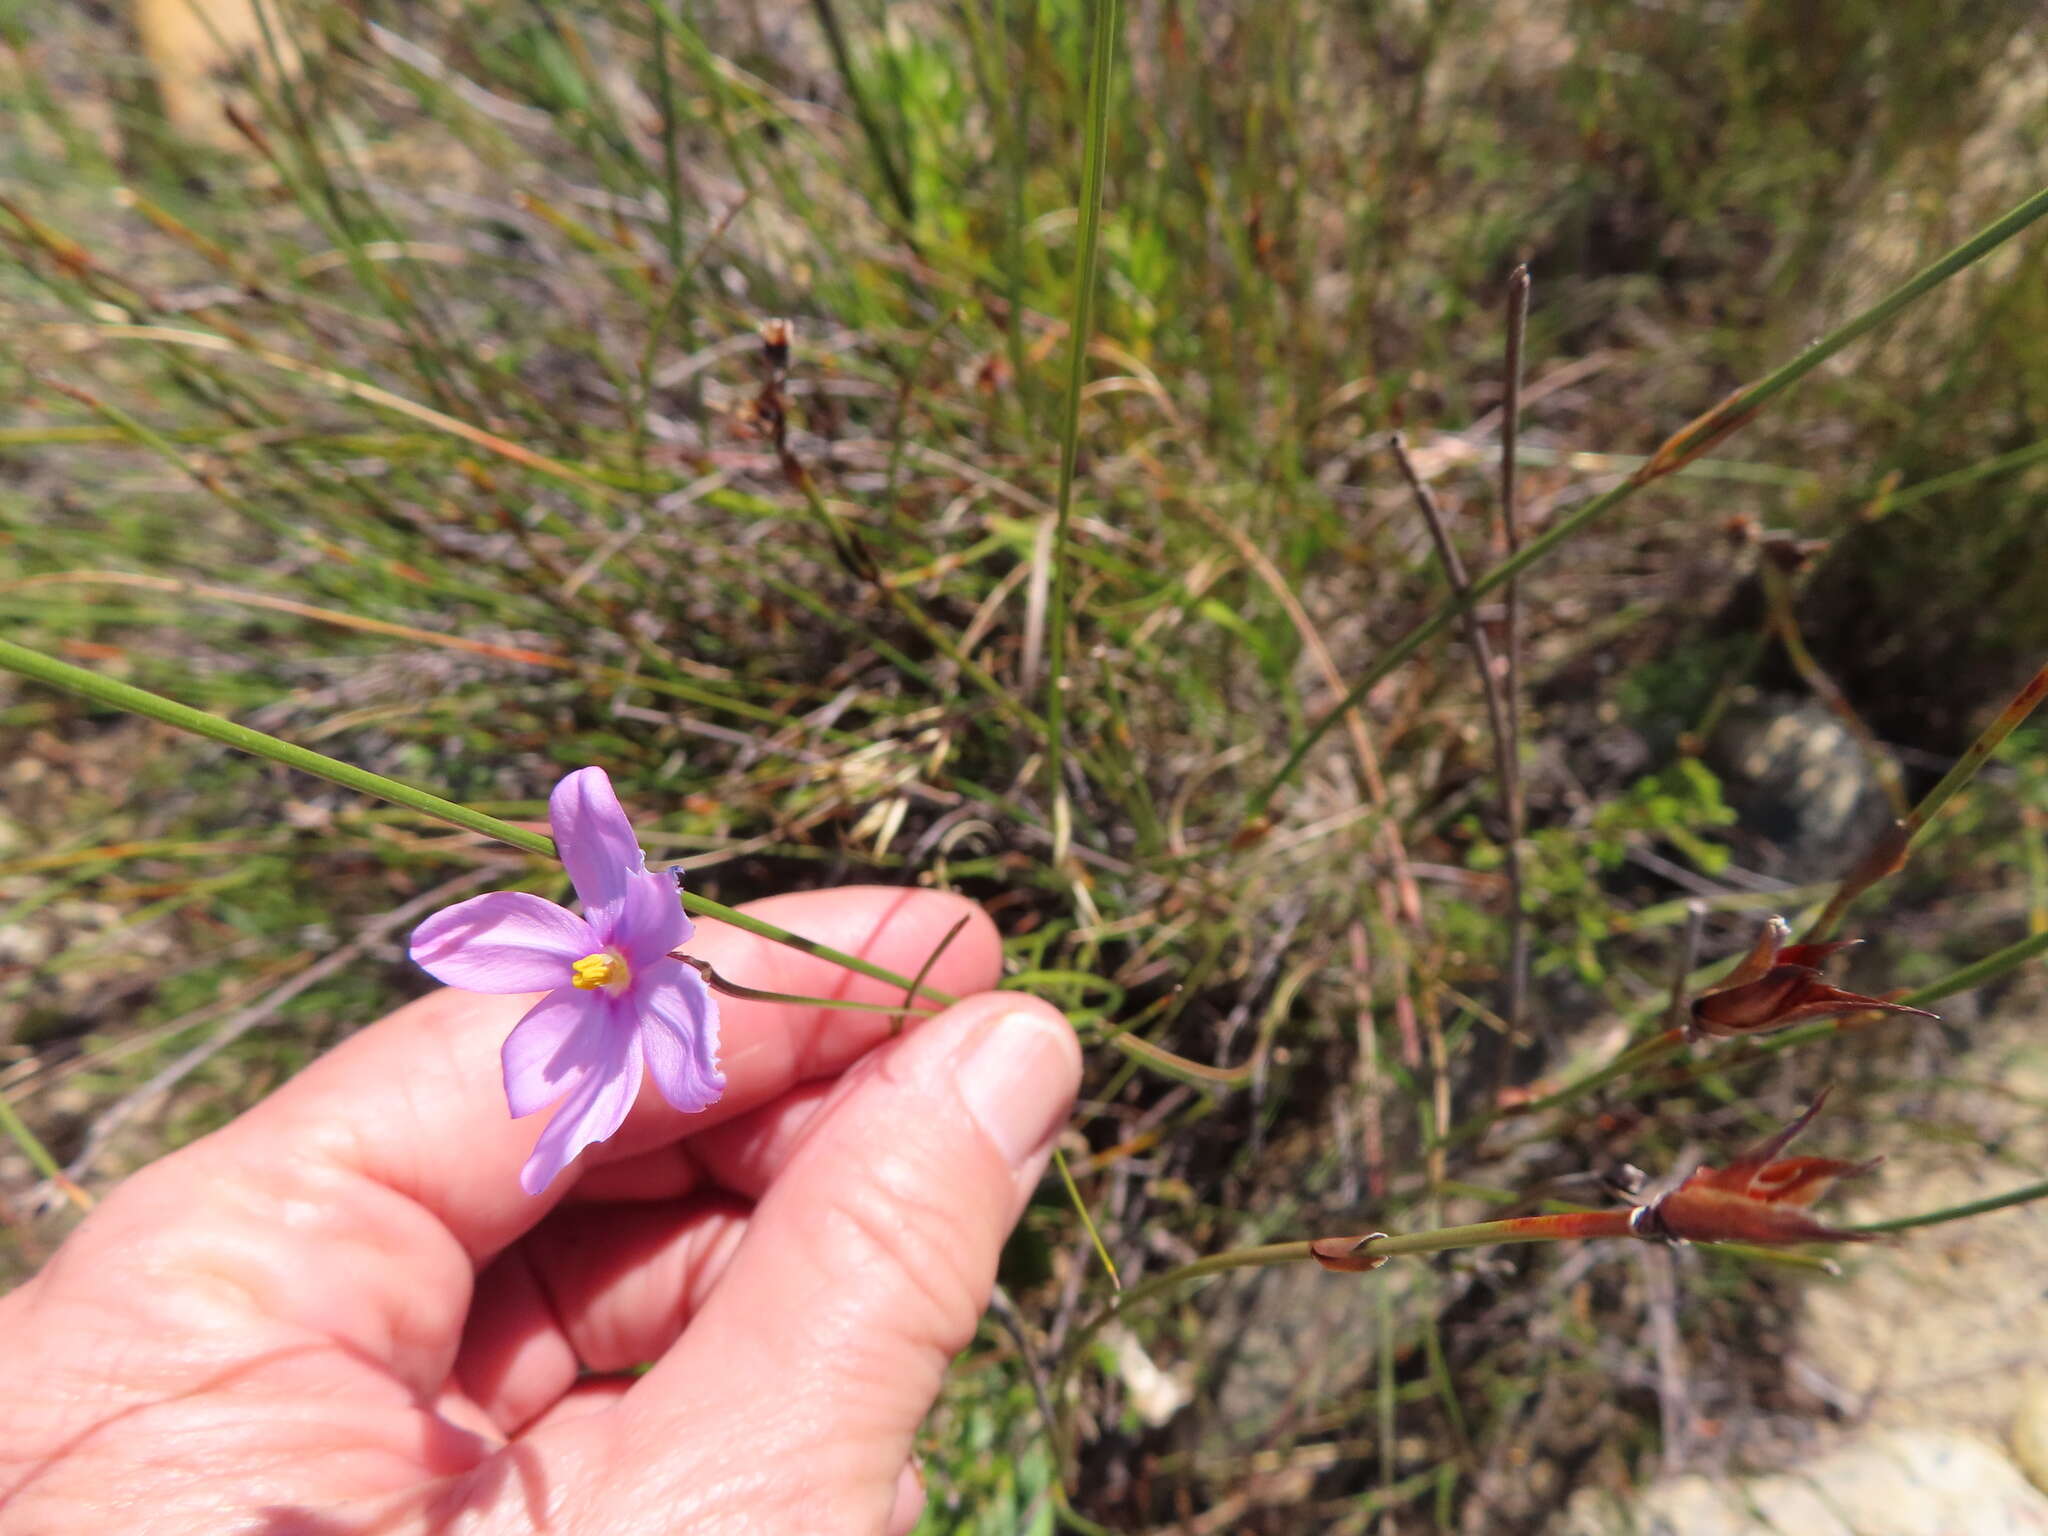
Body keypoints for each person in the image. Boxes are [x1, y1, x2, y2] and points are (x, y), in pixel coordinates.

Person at [0, 886, 1080, 1534]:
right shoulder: (609, 989)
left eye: (605, 954)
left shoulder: (645, 949)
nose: (597, 963)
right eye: (590, 960)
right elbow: (605, 1069)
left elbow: (660, 1005)